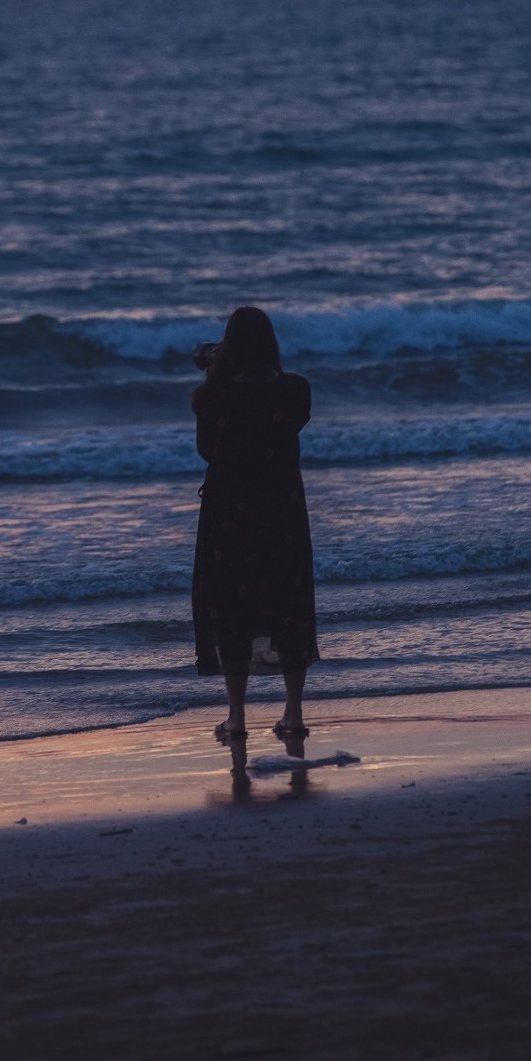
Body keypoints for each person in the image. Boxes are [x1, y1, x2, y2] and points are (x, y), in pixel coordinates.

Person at [190, 305, 319, 743]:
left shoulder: (212, 398)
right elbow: (287, 409)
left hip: (229, 516)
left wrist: (218, 371)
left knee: (232, 610)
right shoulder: (295, 393)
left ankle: (237, 718)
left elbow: (207, 451)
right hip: (282, 512)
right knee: (290, 604)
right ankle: (293, 714)